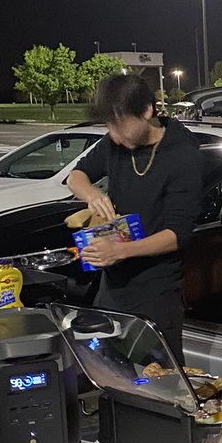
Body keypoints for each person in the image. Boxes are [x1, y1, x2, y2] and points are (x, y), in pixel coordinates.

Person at [65, 74, 204, 363]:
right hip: (112, 286)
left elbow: (177, 234)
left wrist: (120, 251)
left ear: (147, 111)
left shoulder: (183, 155)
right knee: (108, 370)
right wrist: (91, 194)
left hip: (156, 289)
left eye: (120, 125)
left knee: (157, 380)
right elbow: (75, 177)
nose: (114, 135)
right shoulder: (114, 144)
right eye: (108, 126)